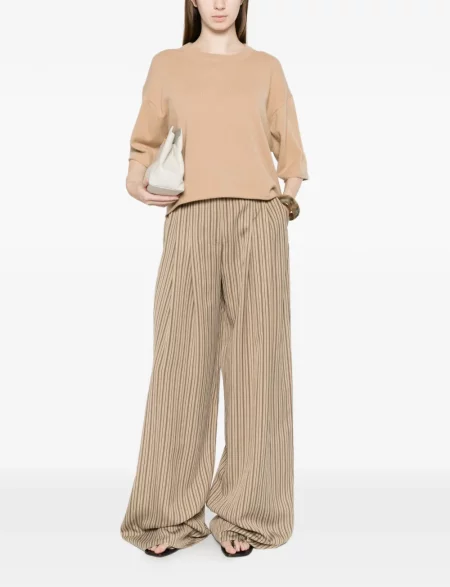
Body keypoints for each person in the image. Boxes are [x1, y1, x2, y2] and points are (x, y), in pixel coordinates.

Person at [120, 0, 309, 558]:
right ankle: (166, 515)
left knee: (258, 370)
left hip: (258, 221)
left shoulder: (266, 67)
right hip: (190, 221)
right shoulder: (168, 64)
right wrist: (136, 182)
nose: (221, 2)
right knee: (181, 367)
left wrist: (282, 204)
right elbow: (143, 144)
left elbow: (291, 153)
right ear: (193, 1)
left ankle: (247, 514)